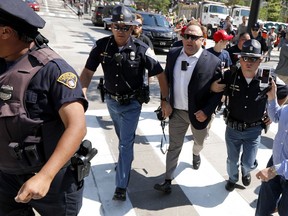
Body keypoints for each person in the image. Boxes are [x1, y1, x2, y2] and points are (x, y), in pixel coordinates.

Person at [0, 0, 88, 215]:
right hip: (6, 175)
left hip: (51, 180)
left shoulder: (54, 70)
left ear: (5, 32)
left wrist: (45, 176)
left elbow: (77, 126)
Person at [79, 5, 172, 201]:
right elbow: (88, 72)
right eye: (117, 26)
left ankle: (120, 186)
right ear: (111, 26)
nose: (121, 31)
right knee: (122, 136)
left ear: (132, 28)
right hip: (112, 102)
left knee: (125, 144)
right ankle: (126, 159)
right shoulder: (101, 46)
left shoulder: (142, 49)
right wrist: (82, 93)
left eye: (125, 27)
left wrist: (165, 100)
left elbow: (161, 75)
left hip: (132, 103)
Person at [153, 22, 223, 194]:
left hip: (199, 114)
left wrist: (206, 111)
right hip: (177, 112)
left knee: (199, 141)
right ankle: (167, 179)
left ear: (203, 40)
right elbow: (166, 79)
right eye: (186, 36)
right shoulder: (174, 53)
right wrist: (164, 101)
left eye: (194, 37)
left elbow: (219, 92)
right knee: (174, 146)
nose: (189, 40)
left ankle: (196, 153)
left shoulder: (213, 61)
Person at [211, 39, 288, 192]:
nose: (248, 62)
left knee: (248, 163)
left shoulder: (268, 77)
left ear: (260, 60)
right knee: (232, 160)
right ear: (239, 58)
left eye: (253, 58)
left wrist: (271, 111)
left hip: (254, 130)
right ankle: (232, 179)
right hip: (232, 127)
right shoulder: (231, 74)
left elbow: (284, 91)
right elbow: (212, 85)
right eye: (245, 57)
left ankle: (246, 171)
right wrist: (214, 87)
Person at [255, 79, 288, 216]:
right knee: (263, 208)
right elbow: (276, 116)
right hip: (275, 161)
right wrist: (272, 97)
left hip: (278, 168)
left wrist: (274, 170)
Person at [207, 29, 233, 112]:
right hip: (209, 89)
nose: (228, 42)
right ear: (220, 41)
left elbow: (228, 68)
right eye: (226, 40)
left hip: (221, 89)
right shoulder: (207, 53)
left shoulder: (226, 54)